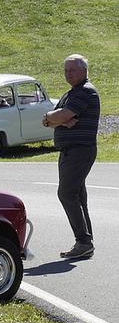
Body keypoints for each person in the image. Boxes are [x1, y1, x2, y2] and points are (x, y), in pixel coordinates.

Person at [43, 54, 100, 259]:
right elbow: (50, 119)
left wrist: (57, 118)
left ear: (84, 71)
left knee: (66, 193)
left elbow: (58, 116)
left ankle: (83, 241)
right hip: (70, 151)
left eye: (72, 70)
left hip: (79, 150)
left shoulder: (85, 92)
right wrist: (55, 118)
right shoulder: (71, 93)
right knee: (77, 195)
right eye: (66, 70)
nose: (68, 74)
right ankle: (86, 242)